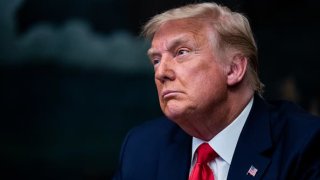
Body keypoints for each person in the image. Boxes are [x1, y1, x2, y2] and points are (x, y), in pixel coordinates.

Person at [113, 2, 320, 180]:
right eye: (156, 60)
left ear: (234, 69)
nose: (161, 73)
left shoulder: (306, 143)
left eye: (181, 52)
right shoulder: (142, 147)